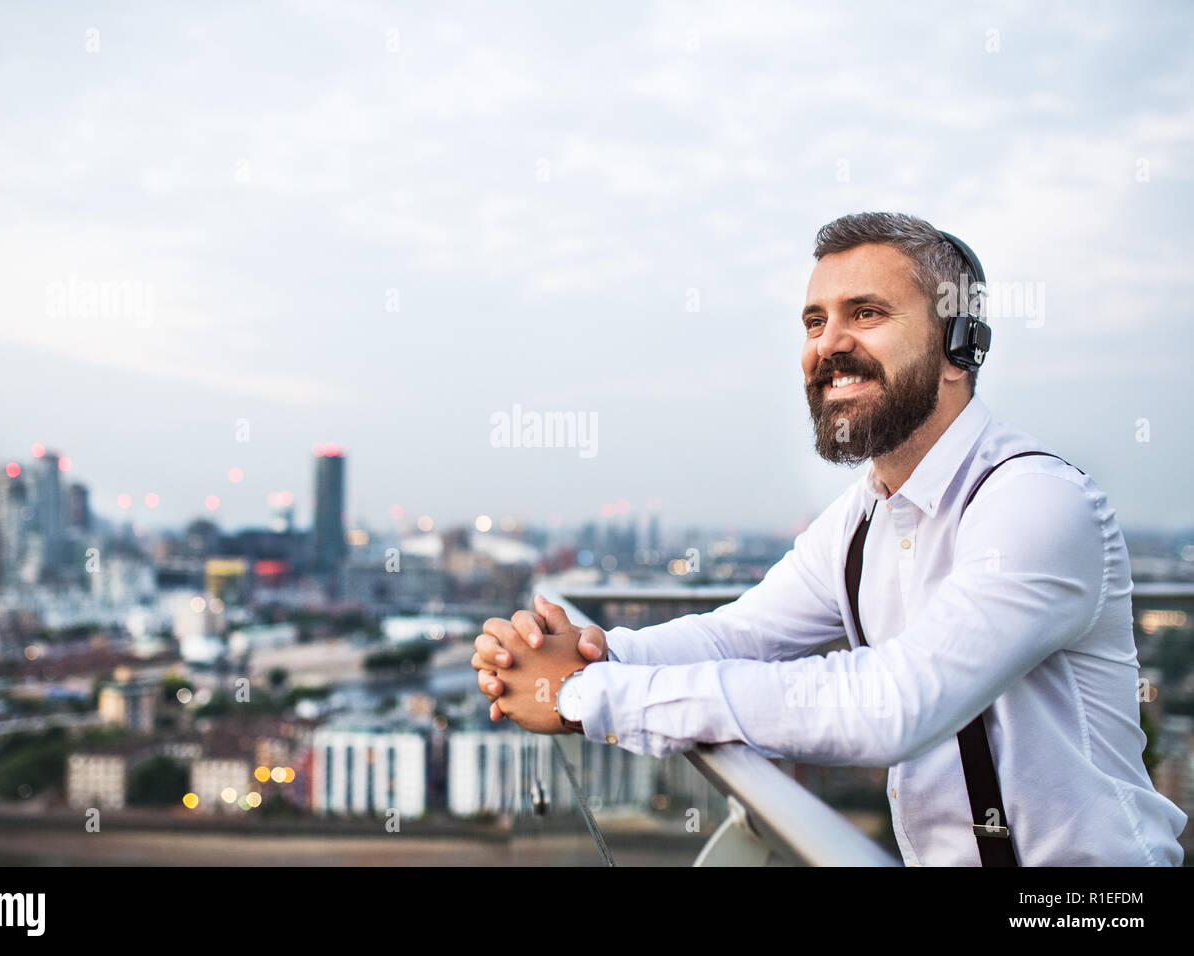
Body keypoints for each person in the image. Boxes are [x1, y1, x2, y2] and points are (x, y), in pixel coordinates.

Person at [469, 211, 1188, 866]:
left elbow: (896, 704)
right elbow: (737, 638)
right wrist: (583, 655)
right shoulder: (864, 518)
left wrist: (590, 697)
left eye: (866, 313)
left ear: (957, 347)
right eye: (814, 322)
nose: (828, 345)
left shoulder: (1036, 501)